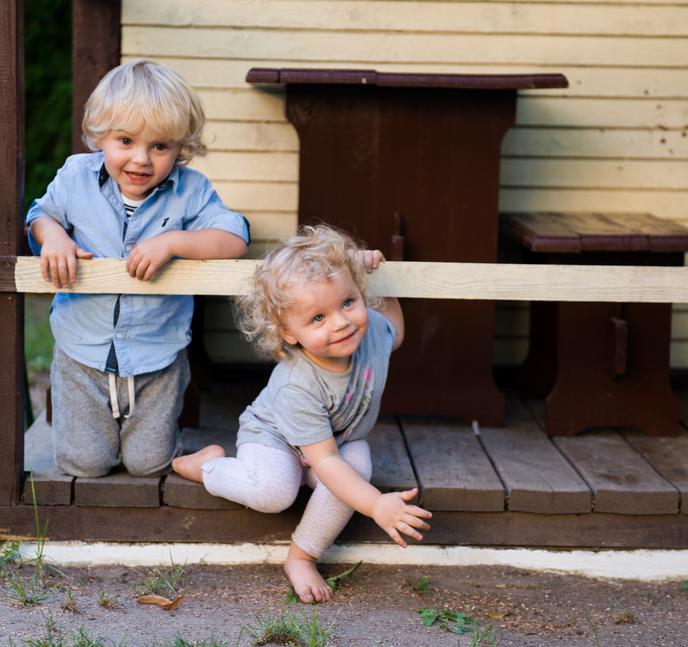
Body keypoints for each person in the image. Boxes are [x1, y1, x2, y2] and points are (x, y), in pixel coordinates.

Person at [173, 225, 432, 603]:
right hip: (274, 437)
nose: (341, 322)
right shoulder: (298, 383)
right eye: (317, 318)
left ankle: (303, 555)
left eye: (347, 302)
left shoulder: (371, 330)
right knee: (275, 492)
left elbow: (397, 331)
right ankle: (208, 466)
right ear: (288, 333)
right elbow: (325, 462)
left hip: (334, 437)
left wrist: (381, 280)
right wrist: (376, 503)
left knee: (356, 471)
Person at [26, 60, 249, 479]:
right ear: (99, 137)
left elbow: (234, 236)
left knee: (148, 465)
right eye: (125, 141)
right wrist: (53, 236)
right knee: (85, 465)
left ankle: (182, 449)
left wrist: (174, 242)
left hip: (157, 352)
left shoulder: (191, 190)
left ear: (180, 148)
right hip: (82, 348)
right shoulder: (76, 176)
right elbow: (40, 214)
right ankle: (89, 433)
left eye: (160, 146)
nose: (141, 159)